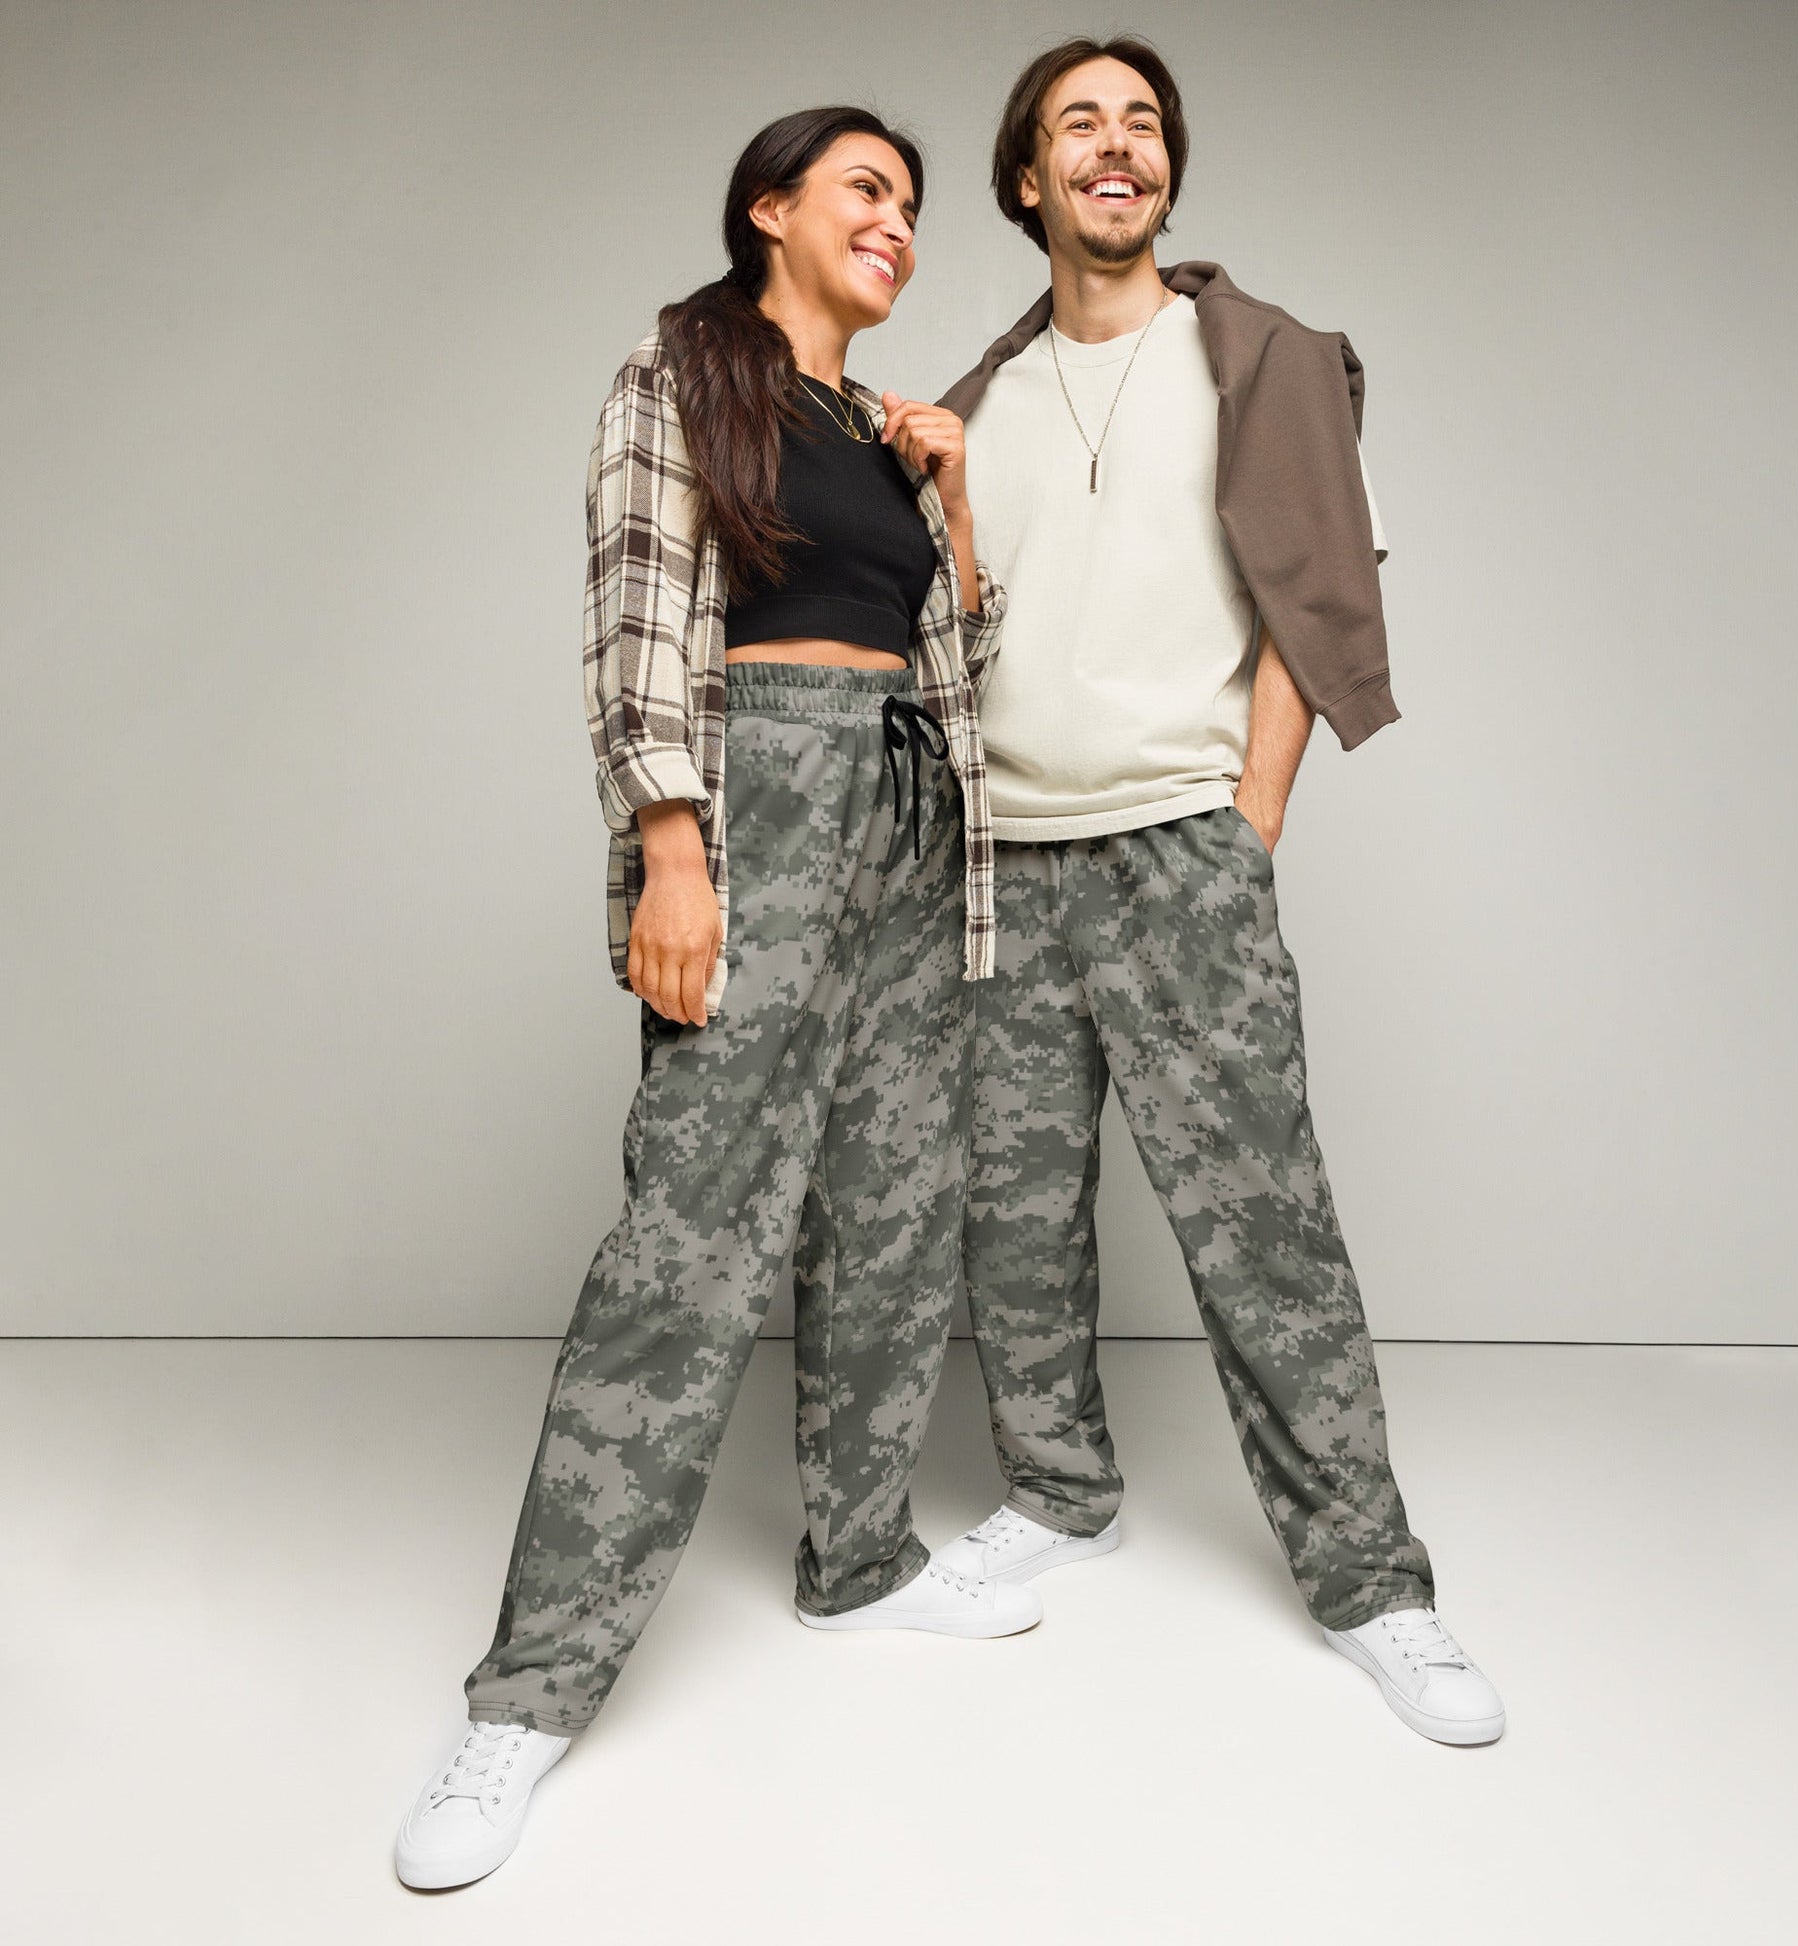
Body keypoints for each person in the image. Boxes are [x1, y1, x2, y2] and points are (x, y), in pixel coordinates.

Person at [396, 105, 1022, 1891]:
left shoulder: (885, 434)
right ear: (769, 210)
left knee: (892, 1208)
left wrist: (955, 497)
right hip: (761, 791)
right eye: (865, 190)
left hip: (910, 810)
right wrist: (672, 844)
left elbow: (961, 665)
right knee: (694, 1231)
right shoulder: (681, 377)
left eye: (911, 205)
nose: (897, 224)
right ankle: (528, 1692)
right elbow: (635, 615)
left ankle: (861, 1560)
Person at [928, 38, 1506, 1746]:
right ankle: (1056, 1488)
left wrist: (1247, 821)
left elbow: (1307, 599)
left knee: (1263, 1223)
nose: (1116, 146)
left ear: (1164, 169)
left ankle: (1372, 1583)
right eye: (1078, 124)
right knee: (1011, 1214)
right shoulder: (975, 405)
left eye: (1142, 123)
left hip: (1179, 847)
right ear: (1027, 178)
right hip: (1000, 864)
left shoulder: (1259, 362)